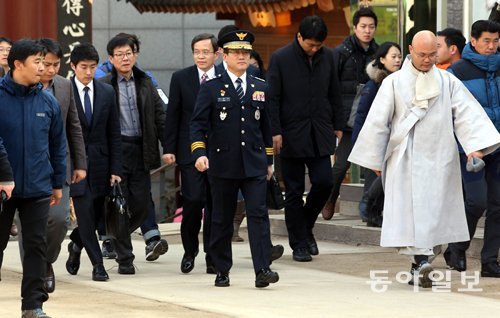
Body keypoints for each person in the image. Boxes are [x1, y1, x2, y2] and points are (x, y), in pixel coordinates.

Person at [348, 31, 500, 288]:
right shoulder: (394, 82)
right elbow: (378, 121)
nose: (428, 60)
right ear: (411, 50)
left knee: (435, 212)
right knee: (411, 213)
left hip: (440, 156)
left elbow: (465, 113)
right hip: (405, 158)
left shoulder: (447, 81)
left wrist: (475, 147)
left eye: (432, 54)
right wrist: (374, 157)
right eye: (422, 55)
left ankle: (423, 261)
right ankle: (420, 261)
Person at [190, 29, 279, 288]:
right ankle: (221, 268)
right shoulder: (212, 88)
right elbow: (197, 124)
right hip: (222, 163)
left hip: (254, 163)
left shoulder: (260, 86)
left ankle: (262, 269)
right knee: (221, 217)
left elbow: (266, 127)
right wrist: (199, 153)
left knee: (259, 215)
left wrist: (270, 161)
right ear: (223, 55)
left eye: (246, 52)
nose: (242, 56)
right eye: (236, 52)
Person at [14, 38, 87, 294]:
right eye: (45, 64)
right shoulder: (18, 88)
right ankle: (35, 276)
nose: (50, 70)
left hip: (58, 167)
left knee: (59, 221)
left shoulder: (65, 87)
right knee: (29, 224)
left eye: (56, 65)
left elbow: (73, 126)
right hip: (23, 168)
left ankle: (45, 261)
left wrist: (80, 163)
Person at [0, 39, 66, 318]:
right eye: (37, 62)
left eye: (45, 62)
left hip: (38, 186)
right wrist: (4, 176)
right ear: (18, 64)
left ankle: (33, 306)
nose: (43, 68)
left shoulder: (47, 100)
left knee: (36, 246)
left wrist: (57, 183)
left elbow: (57, 145)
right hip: (3, 187)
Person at [267, 15, 342, 262]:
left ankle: (305, 225)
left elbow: (334, 92)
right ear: (299, 37)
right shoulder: (280, 59)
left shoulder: (329, 57)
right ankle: (299, 243)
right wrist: (275, 130)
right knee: (294, 191)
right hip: (290, 134)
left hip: (320, 131)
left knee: (324, 182)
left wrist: (338, 124)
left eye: (318, 45)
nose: (314, 49)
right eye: (310, 44)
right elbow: (273, 98)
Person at [96, 33, 167, 262]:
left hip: (141, 148)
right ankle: (123, 254)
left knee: (141, 201)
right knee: (118, 199)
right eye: (119, 54)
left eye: (128, 53)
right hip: (116, 150)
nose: (125, 58)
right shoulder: (104, 85)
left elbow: (160, 116)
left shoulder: (146, 82)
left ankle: (114, 238)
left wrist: (169, 147)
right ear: (111, 58)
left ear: (135, 55)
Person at [444, 20, 500, 277]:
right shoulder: (457, 72)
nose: (492, 46)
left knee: (498, 204)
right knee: (476, 201)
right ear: (473, 41)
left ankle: (489, 261)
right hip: (472, 148)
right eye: (487, 41)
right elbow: (452, 115)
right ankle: (457, 247)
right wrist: (465, 145)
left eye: (496, 41)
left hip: (498, 146)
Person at [65, 43, 122, 282]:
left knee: (98, 215)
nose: (88, 72)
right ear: (73, 67)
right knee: (86, 214)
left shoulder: (106, 91)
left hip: (101, 163)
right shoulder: (64, 91)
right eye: (83, 67)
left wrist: (115, 169)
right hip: (75, 165)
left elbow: (114, 133)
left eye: (92, 67)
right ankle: (98, 265)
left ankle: (76, 244)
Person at [163, 33, 219, 274]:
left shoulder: (225, 78)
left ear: (217, 54)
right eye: (197, 51)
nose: (201, 56)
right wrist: (169, 149)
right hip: (189, 152)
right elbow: (173, 115)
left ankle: (212, 254)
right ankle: (190, 250)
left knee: (216, 205)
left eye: (206, 52)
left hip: (219, 152)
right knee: (194, 200)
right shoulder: (181, 78)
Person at [324, 7, 379, 222]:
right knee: (341, 166)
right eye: (363, 26)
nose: (367, 31)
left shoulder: (378, 53)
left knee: (371, 166)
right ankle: (331, 196)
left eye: (371, 27)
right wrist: (334, 120)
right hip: (346, 118)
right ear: (354, 27)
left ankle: (369, 207)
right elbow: (331, 87)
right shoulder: (341, 52)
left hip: (371, 117)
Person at [351, 42, 402, 227]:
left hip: (394, 138)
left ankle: (375, 212)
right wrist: (361, 143)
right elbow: (361, 115)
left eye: (399, 56)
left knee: (387, 178)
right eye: (393, 56)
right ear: (382, 59)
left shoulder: (401, 81)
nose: (397, 60)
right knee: (377, 178)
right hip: (376, 139)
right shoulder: (373, 85)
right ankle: (369, 210)